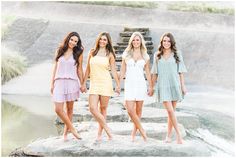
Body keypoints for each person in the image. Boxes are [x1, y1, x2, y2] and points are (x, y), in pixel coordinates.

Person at [81, 32, 120, 141]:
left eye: (105, 40)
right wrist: (83, 83)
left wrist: (117, 84)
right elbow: (88, 69)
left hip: (105, 83)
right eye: (101, 39)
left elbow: (113, 70)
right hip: (94, 83)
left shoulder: (110, 54)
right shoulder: (92, 52)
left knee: (103, 109)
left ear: (108, 42)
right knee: (92, 108)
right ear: (98, 40)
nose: (102, 41)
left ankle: (99, 134)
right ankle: (107, 129)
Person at [151, 32, 187, 144]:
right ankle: (178, 137)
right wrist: (151, 87)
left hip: (175, 85)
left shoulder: (177, 53)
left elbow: (181, 71)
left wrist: (183, 86)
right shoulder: (157, 55)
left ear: (171, 42)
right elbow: (155, 73)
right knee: (170, 111)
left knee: (171, 113)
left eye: (168, 41)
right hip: (163, 86)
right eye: (164, 41)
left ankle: (168, 136)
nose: (166, 43)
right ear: (161, 42)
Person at [50, 32, 85, 140]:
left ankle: (65, 134)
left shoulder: (78, 53)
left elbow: (79, 70)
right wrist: (52, 83)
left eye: (76, 41)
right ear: (68, 39)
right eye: (72, 40)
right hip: (59, 82)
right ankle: (73, 129)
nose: (73, 43)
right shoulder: (59, 50)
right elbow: (55, 68)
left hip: (72, 82)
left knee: (69, 109)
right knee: (58, 109)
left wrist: (83, 83)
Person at [120, 32, 153, 142]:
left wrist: (151, 86)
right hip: (129, 84)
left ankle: (133, 135)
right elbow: (123, 70)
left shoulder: (145, 55)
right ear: (131, 42)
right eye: (133, 40)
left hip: (140, 84)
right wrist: (119, 84)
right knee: (130, 109)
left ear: (141, 42)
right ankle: (142, 130)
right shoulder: (126, 54)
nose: (135, 42)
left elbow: (148, 72)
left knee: (138, 110)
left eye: (137, 40)